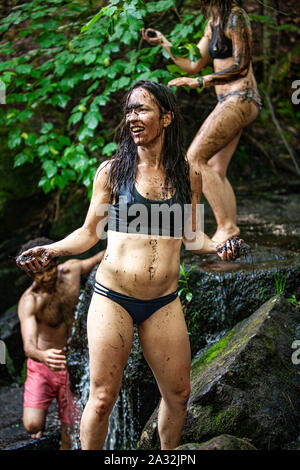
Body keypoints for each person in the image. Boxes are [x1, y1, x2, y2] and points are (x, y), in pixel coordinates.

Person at [16, 81, 245, 450]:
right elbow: (90, 233)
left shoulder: (189, 174)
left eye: (141, 110)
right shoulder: (112, 173)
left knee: (179, 394)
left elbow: (191, 236)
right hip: (113, 298)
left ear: (166, 118)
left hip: (163, 303)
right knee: (104, 397)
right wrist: (54, 250)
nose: (132, 118)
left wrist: (219, 245)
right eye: (128, 111)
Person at [141, 0, 261, 245]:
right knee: (215, 169)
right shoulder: (213, 22)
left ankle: (226, 227)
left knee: (193, 159)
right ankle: (230, 229)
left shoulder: (236, 17)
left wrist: (199, 82)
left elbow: (241, 66)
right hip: (227, 100)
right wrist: (165, 44)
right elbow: (193, 64)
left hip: (241, 97)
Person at [16, 237, 105, 450]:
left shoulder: (71, 271)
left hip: (71, 364)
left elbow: (97, 259)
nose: (45, 276)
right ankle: (39, 414)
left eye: (49, 269)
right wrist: (43, 355)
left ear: (55, 262)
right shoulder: (31, 301)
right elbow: (28, 346)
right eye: (37, 273)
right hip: (43, 366)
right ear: (30, 274)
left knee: (71, 428)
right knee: (32, 425)